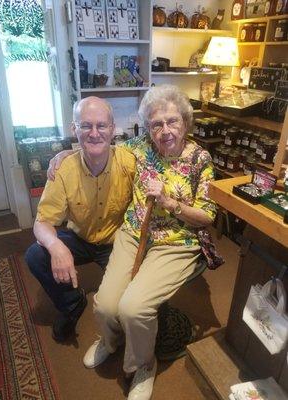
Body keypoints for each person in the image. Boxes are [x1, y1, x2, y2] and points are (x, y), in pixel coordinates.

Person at [81, 85, 218, 400]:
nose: (165, 131)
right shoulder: (139, 147)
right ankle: (110, 341)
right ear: (148, 127)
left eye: (172, 121)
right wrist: (64, 154)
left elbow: (207, 216)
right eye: (157, 124)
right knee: (104, 306)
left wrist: (170, 203)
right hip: (134, 235)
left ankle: (143, 365)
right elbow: (101, 148)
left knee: (134, 308)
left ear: (185, 121)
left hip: (177, 241)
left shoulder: (200, 158)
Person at [25, 96, 136, 342]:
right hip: (80, 237)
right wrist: (55, 247)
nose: (94, 133)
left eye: (101, 125)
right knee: (36, 254)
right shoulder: (63, 169)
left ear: (113, 128)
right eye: (86, 126)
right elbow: (42, 221)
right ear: (74, 128)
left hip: (116, 242)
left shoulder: (130, 161)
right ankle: (72, 302)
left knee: (124, 306)